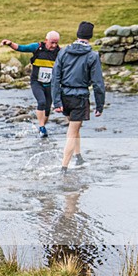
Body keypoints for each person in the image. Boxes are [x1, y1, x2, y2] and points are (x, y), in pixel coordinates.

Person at [52, 21, 105, 174]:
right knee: (72, 131)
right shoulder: (92, 55)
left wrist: (56, 101)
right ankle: (64, 167)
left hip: (64, 96)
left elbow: (55, 77)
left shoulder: (63, 52)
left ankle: (79, 156)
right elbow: (98, 83)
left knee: (74, 128)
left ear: (77, 34)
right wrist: (99, 106)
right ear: (90, 36)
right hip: (80, 97)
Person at [1, 31, 61, 137]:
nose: (54, 46)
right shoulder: (37, 47)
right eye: (52, 43)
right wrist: (10, 43)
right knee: (41, 102)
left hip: (50, 84)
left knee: (47, 109)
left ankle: (42, 128)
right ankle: (42, 127)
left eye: (56, 43)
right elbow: (21, 48)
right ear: (46, 40)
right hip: (37, 82)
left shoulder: (59, 52)